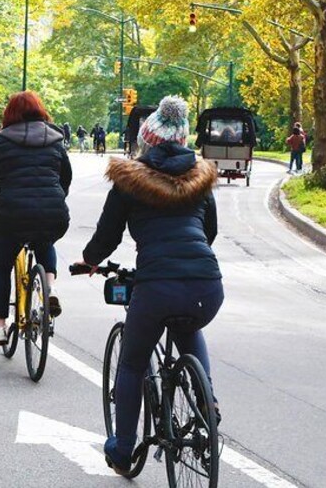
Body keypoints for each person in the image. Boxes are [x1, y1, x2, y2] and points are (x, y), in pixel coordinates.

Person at [74, 95, 222, 476]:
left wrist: (90, 261)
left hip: (156, 284)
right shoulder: (201, 178)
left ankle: (123, 450)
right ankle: (207, 406)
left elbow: (107, 236)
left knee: (133, 363)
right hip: (207, 283)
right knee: (188, 326)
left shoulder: (128, 181)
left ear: (146, 141)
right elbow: (210, 232)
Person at [0, 91, 72, 346]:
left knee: (2, 265)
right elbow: (66, 176)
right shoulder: (55, 139)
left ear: (10, 113)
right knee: (45, 240)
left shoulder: (1, 141)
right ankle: (49, 287)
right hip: (52, 209)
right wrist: (57, 196)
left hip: (12, 213)